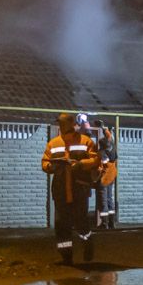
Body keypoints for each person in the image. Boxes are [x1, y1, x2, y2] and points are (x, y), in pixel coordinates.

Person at [42, 113, 100, 265]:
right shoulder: (53, 143)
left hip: (79, 188)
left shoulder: (85, 141)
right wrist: (51, 166)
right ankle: (66, 256)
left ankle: (87, 243)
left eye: (63, 123)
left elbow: (95, 159)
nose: (61, 127)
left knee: (81, 222)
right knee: (62, 225)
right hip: (60, 190)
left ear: (72, 124)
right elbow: (45, 162)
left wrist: (81, 164)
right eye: (60, 124)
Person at [93, 120, 118, 229]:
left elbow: (100, 168)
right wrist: (103, 127)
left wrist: (95, 178)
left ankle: (104, 223)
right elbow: (109, 136)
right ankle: (112, 223)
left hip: (103, 179)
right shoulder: (112, 146)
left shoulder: (102, 153)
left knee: (103, 200)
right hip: (112, 177)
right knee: (109, 199)